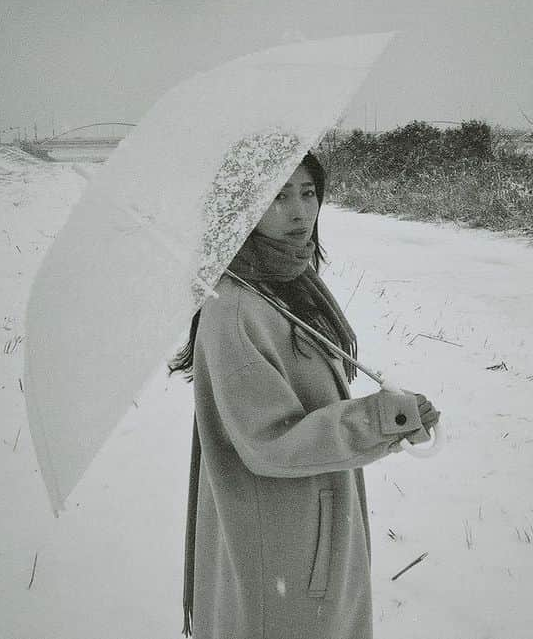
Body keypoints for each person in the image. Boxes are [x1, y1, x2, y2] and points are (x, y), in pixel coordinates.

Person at [169, 151, 440, 639]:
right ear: (241, 208)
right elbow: (270, 442)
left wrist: (398, 417)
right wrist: (381, 420)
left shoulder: (287, 286)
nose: (299, 212)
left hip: (310, 531)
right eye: (277, 196)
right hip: (280, 545)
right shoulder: (235, 308)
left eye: (308, 193)